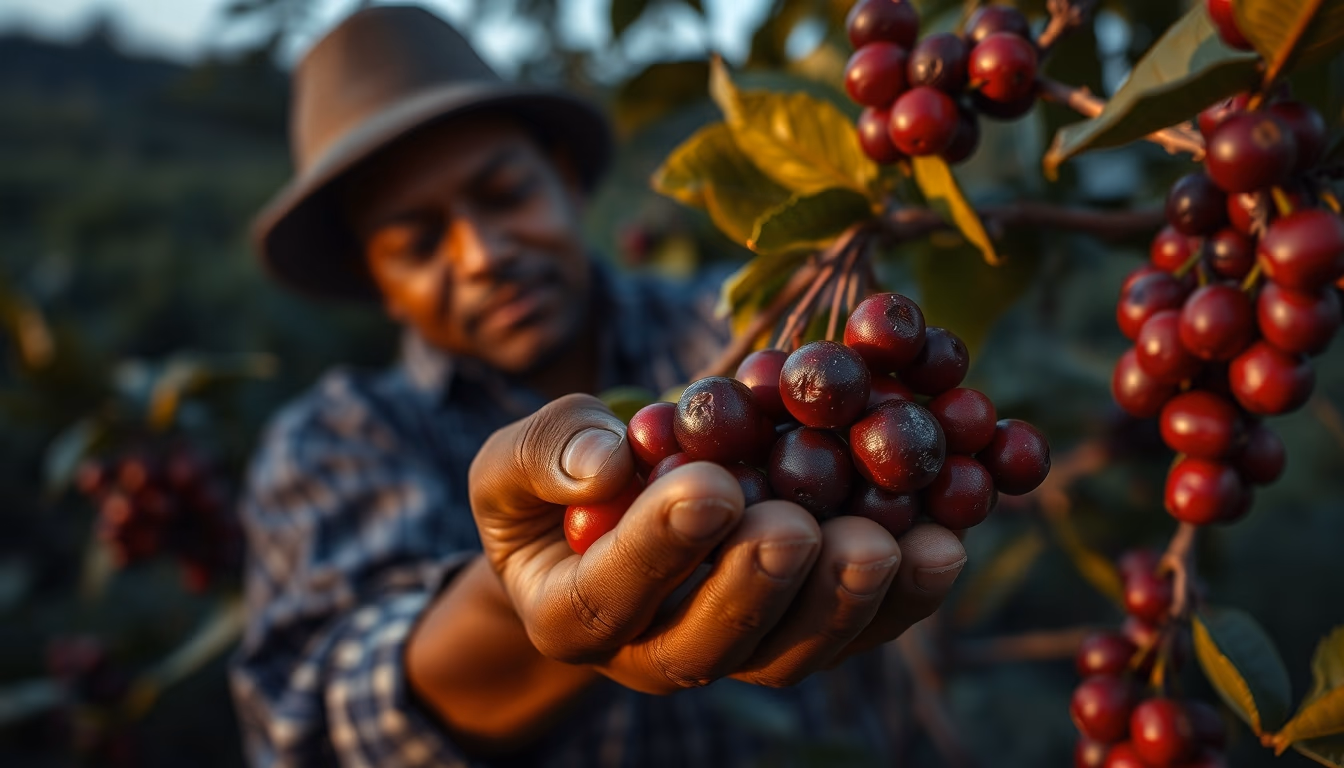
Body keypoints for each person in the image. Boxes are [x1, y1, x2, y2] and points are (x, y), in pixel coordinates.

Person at [231, 5, 969, 766]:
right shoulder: (337, 441)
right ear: (376, 280)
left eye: (505, 193)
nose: (482, 254)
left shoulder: (739, 325)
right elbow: (313, 722)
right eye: (419, 243)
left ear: (565, 178)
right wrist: (519, 608)